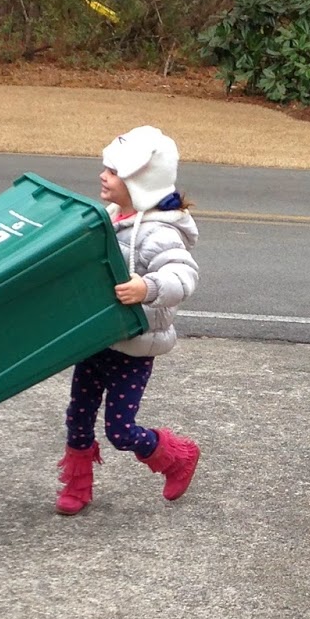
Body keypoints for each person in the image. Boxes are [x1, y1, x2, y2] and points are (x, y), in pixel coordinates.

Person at [55, 125, 201, 515]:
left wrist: (147, 288)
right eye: (106, 168)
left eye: (114, 172)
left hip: (133, 346)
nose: (103, 176)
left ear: (142, 181)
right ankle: (78, 484)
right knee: (78, 417)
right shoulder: (110, 216)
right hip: (97, 337)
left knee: (119, 430)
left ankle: (178, 456)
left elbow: (183, 276)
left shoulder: (161, 233)